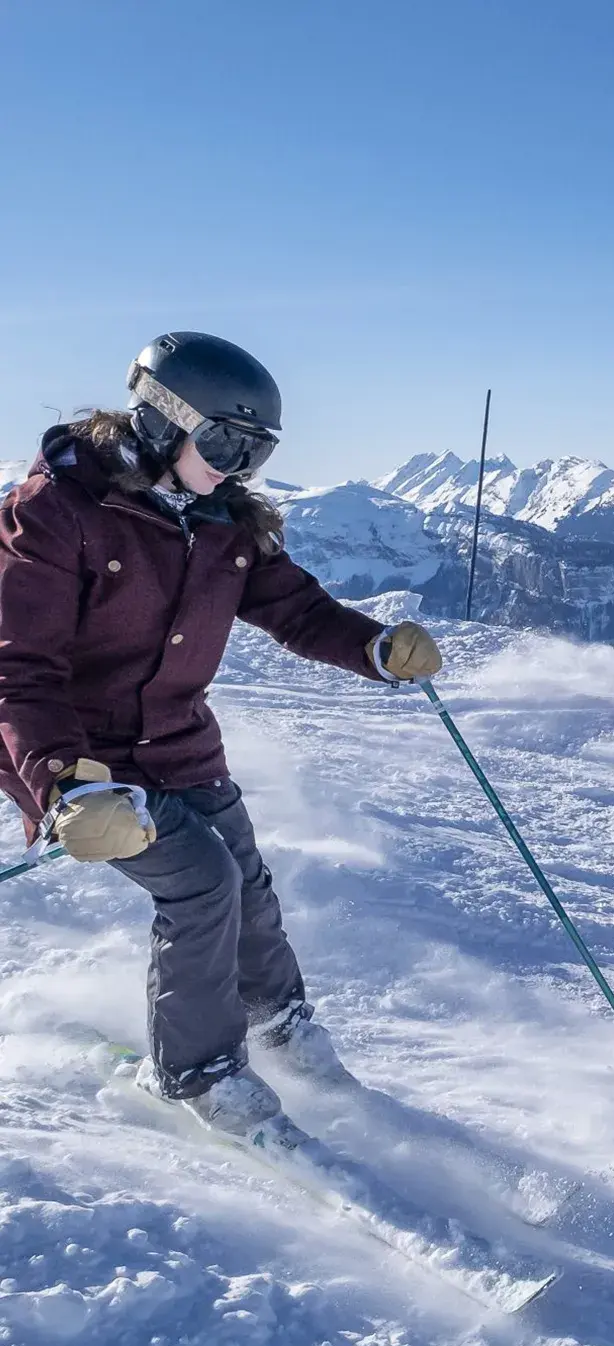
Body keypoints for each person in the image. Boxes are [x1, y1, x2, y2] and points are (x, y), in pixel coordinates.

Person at [0, 331, 443, 1137]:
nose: (237, 467)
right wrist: (64, 781)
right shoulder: (56, 513)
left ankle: (280, 1026)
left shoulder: (224, 521)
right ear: (161, 419)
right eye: (224, 443)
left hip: (179, 744)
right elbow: (18, 668)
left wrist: (375, 649)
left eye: (255, 451)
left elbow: (299, 610)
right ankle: (198, 1073)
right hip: (85, 762)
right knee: (201, 884)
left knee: (246, 883)